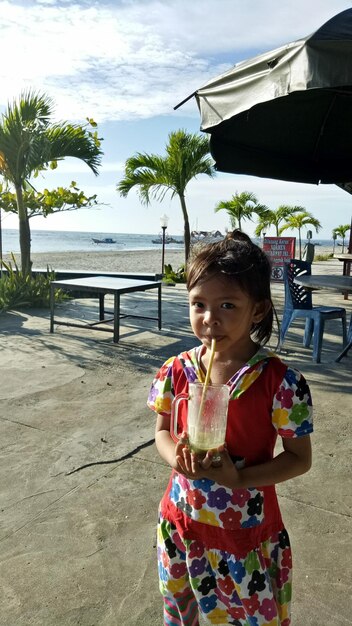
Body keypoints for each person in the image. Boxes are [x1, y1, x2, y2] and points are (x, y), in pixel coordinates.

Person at [148, 230, 313, 626]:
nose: (209, 318)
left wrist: (238, 479)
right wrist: (179, 458)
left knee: (252, 617)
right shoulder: (178, 370)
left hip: (245, 534)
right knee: (181, 610)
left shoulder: (280, 382)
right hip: (182, 520)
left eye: (226, 305)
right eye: (198, 304)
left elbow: (298, 459)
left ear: (257, 310)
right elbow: (161, 433)